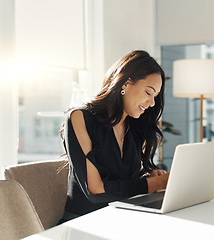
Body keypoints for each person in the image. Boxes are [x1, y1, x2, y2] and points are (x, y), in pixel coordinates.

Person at [59, 50, 169, 223]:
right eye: (148, 93)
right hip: (84, 223)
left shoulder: (135, 127)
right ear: (125, 83)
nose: (152, 103)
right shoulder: (79, 118)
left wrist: (151, 179)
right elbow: (96, 190)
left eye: (155, 96)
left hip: (122, 219)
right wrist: (157, 183)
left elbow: (124, 183)